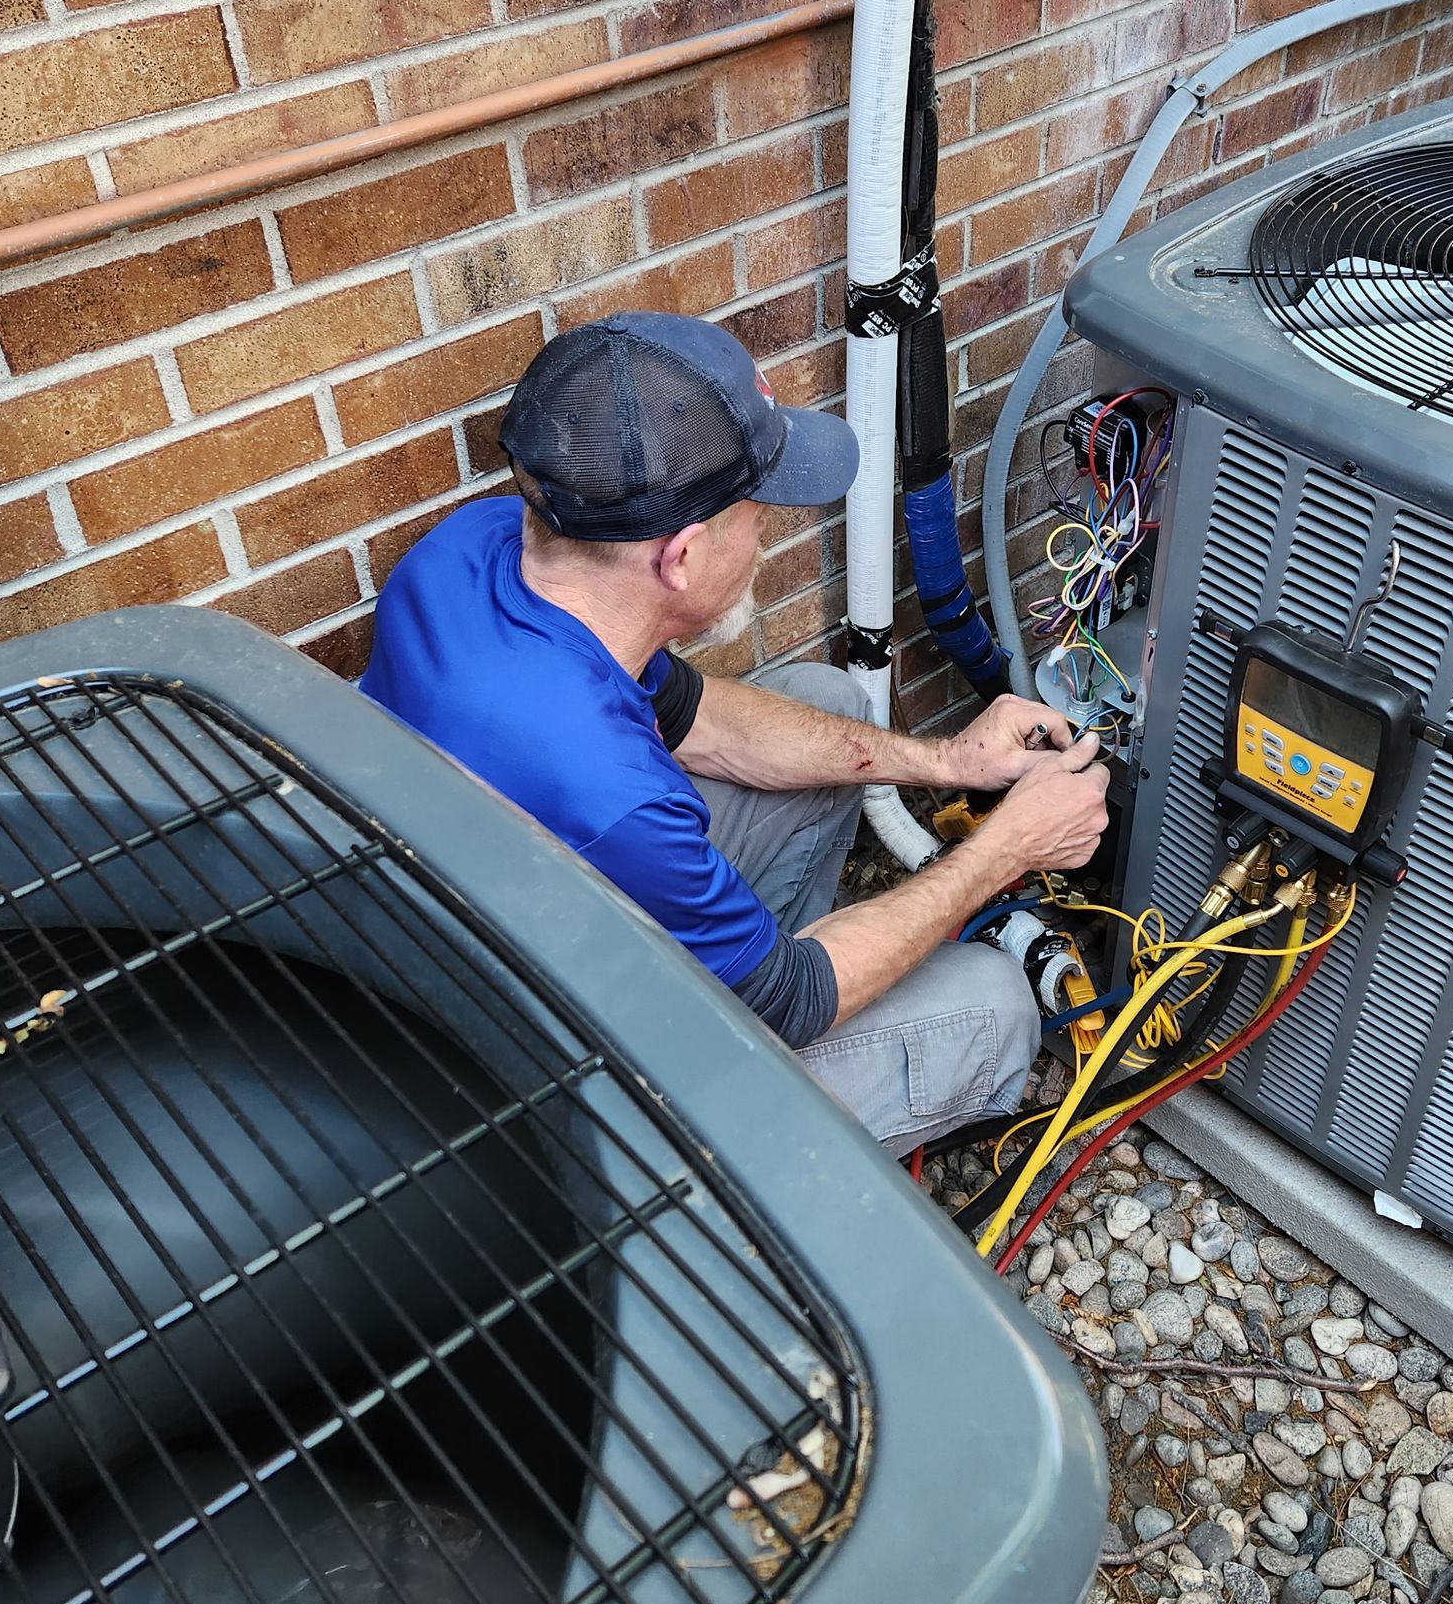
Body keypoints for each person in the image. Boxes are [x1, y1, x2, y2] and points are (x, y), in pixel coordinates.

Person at [360, 311, 1109, 1153]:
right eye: (758, 513)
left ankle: (742, 968)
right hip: (549, 1098)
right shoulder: (609, 791)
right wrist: (1008, 847)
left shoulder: (478, 551)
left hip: (494, 941)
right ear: (679, 558)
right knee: (991, 1006)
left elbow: (701, 717)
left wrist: (946, 759)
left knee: (829, 702)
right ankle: (732, 1160)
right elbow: (789, 996)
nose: (766, 535)